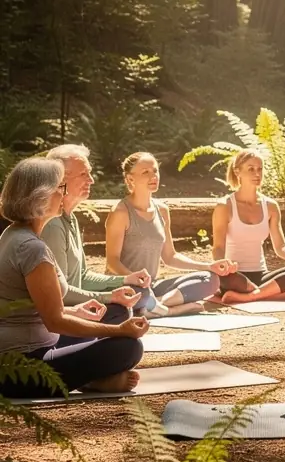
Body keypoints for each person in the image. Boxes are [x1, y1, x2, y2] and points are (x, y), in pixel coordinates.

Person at [0, 158, 146, 398]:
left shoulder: (13, 234)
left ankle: (90, 379)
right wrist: (119, 330)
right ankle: (90, 380)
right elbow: (55, 322)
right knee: (129, 347)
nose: (64, 193)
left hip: (32, 348)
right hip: (23, 367)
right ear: (40, 195)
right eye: (60, 187)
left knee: (104, 320)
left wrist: (75, 311)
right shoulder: (31, 248)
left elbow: (31, 308)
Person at [105, 152, 237, 316]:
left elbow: (170, 256)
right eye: (145, 172)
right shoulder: (120, 212)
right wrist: (134, 279)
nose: (153, 176)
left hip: (151, 287)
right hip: (126, 287)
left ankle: (154, 307)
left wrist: (208, 266)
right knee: (141, 294)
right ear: (130, 179)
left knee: (210, 279)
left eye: (155, 170)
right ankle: (168, 310)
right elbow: (112, 262)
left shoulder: (162, 210)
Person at [40, 144, 151, 322]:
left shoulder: (70, 218)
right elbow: (60, 292)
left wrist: (125, 280)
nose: (91, 180)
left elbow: (83, 276)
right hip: (63, 312)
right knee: (120, 312)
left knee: (140, 293)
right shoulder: (52, 225)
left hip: (78, 298)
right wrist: (109, 297)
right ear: (61, 178)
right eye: (84, 174)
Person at [212, 150, 285, 304]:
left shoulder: (270, 206)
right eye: (251, 169)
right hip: (235, 276)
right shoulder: (225, 206)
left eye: (260, 169)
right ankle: (270, 293)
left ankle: (248, 296)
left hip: (262, 275)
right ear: (237, 171)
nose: (257, 174)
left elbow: (281, 246)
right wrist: (223, 265)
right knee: (225, 279)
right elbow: (218, 247)